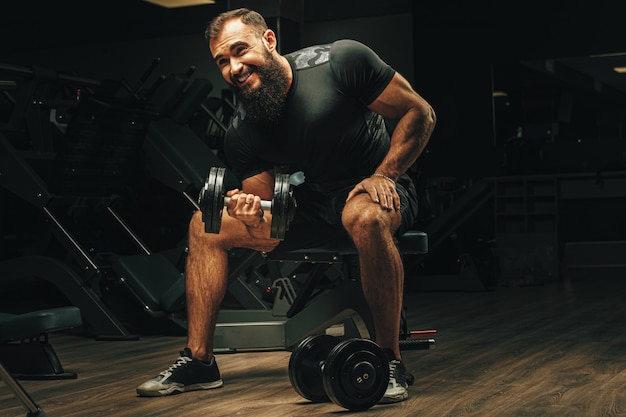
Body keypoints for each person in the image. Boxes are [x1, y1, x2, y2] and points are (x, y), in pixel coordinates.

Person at [136, 8, 436, 404]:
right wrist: (251, 211)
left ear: (270, 40)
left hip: (382, 189)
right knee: (204, 225)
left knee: (361, 214)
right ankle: (200, 362)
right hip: (316, 203)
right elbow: (262, 204)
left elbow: (420, 112)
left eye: (240, 50)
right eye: (222, 62)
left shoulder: (341, 62)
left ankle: (387, 359)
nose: (234, 68)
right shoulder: (244, 128)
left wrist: (386, 174)